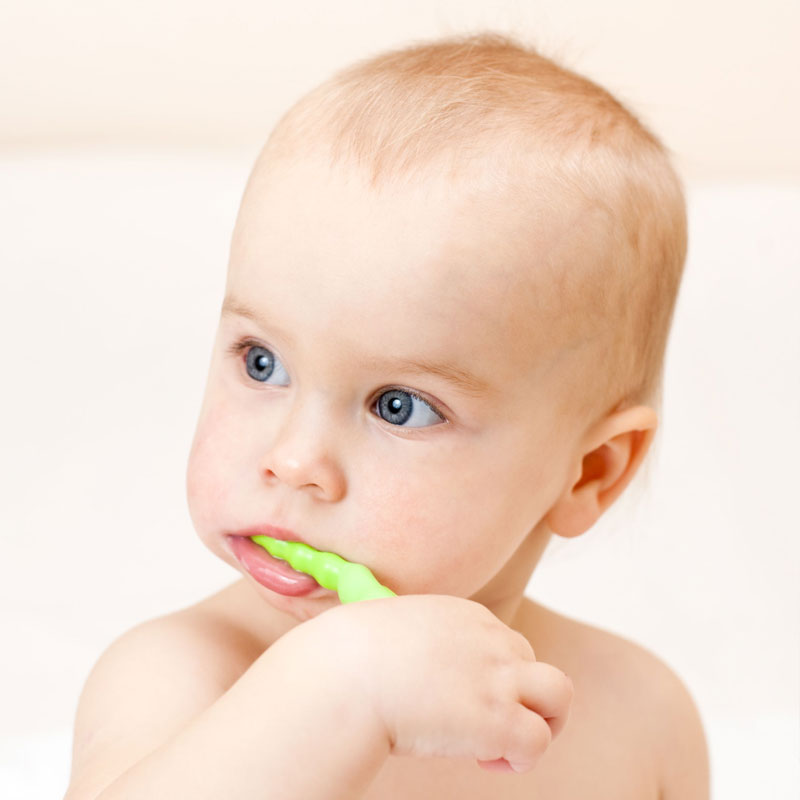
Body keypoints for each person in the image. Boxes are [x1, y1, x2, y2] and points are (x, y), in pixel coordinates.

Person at [64, 31, 709, 799]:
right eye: (261, 361)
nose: (293, 459)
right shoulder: (178, 678)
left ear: (591, 472)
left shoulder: (638, 721)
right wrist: (345, 689)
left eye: (399, 407)